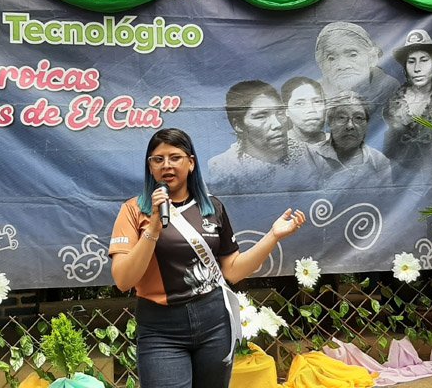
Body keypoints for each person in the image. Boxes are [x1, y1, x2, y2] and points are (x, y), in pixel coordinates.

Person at [108, 128, 305, 388]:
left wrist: (273, 236)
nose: (166, 165)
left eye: (175, 157)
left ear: (191, 163)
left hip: (214, 321)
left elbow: (233, 271)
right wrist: (153, 228)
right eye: (158, 159)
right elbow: (123, 280)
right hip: (161, 327)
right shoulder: (134, 210)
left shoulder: (212, 208)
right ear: (150, 167)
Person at [208, 80, 315, 193]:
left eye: (279, 113)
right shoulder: (223, 167)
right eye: (261, 116)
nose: (277, 124)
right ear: (238, 125)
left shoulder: (307, 153)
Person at [382, 29, 432, 184]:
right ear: (405, 67)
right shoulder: (392, 103)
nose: (417, 68)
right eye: (411, 62)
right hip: (400, 186)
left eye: (424, 60)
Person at [314, 22, 400, 147]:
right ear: (321, 64)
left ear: (372, 58)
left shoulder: (387, 86)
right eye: (331, 58)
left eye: (353, 55)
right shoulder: (313, 92)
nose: (343, 66)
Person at [306, 91, 392, 187]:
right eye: (341, 117)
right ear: (330, 122)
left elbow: (387, 199)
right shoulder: (310, 156)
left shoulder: (379, 161)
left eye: (358, 118)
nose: (350, 125)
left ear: (367, 124)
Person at [281, 77, 328, 145]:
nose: (311, 109)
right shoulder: (277, 149)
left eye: (317, 101)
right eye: (300, 103)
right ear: (286, 110)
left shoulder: (337, 141)